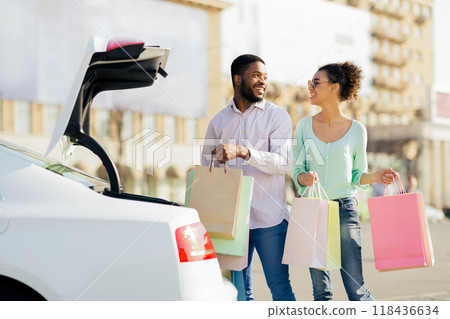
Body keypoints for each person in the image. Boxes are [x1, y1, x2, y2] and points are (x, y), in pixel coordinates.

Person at [291, 62, 398, 301]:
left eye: (316, 83)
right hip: (314, 211)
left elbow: (357, 176)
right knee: (321, 292)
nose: (310, 87)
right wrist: (303, 177)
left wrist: (375, 176)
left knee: (355, 289)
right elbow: (296, 168)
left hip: (345, 210)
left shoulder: (357, 130)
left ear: (334, 88)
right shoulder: (303, 126)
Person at [201, 54, 296, 301]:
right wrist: (216, 160)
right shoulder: (218, 121)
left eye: (265, 77)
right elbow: (206, 165)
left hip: (269, 220)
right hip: (231, 223)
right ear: (237, 79)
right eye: (256, 75)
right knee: (239, 294)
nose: (262, 81)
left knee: (280, 290)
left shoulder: (277, 117)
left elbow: (282, 163)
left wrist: (244, 153)